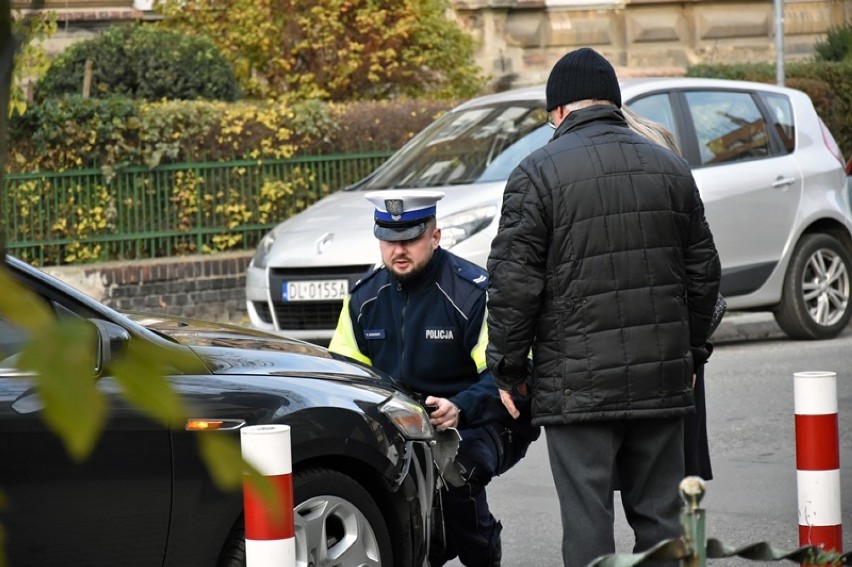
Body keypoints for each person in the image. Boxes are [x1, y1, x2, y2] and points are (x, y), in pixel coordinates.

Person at [485, 47, 721, 567]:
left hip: (575, 389)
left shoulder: (535, 172)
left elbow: (512, 285)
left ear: (559, 111)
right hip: (661, 380)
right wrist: (693, 354)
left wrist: (507, 371)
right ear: (612, 103)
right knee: (662, 522)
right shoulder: (670, 167)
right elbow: (704, 276)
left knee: (588, 525)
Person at [328, 189, 539, 567]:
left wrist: (460, 407)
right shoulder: (363, 299)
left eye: (410, 238)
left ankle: (483, 555)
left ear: (435, 236)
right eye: (389, 240)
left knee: (455, 472)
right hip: (401, 424)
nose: (399, 250)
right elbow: (344, 376)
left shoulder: (473, 293)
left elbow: (508, 376)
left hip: (482, 419)